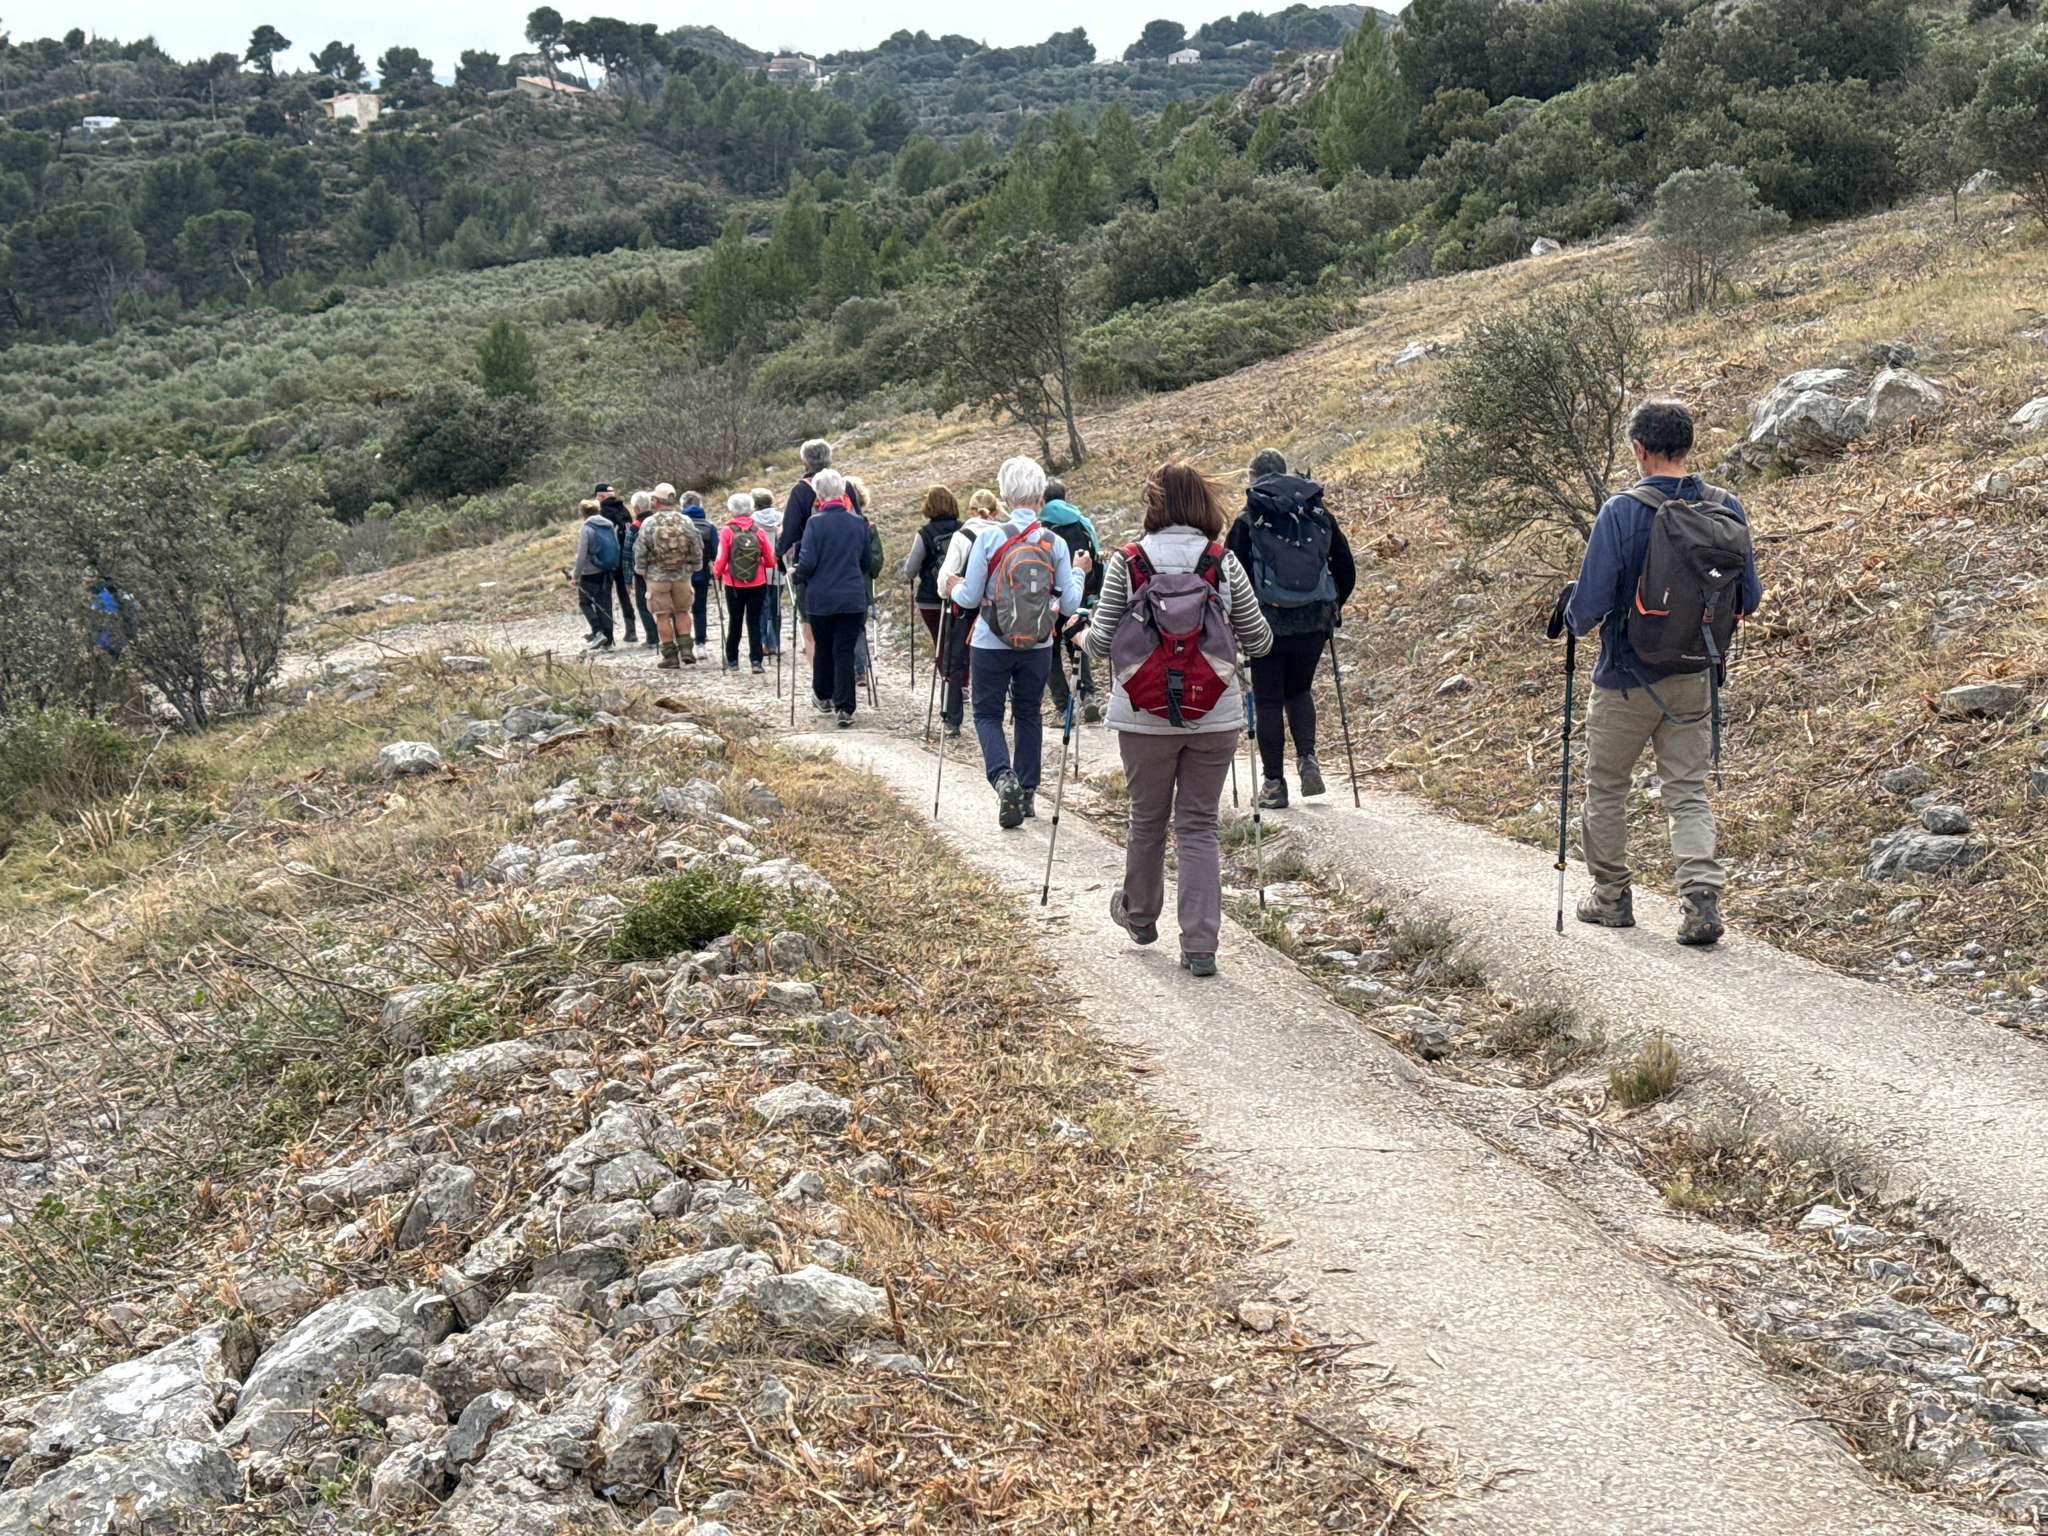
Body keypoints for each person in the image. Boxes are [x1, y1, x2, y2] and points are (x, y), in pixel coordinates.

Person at [1563, 398, 1764, 948]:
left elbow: (1588, 609)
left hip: (1625, 680)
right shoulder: (1726, 507)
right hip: (1695, 676)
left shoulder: (1622, 512)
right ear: (1687, 446)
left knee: (1607, 786)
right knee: (1687, 791)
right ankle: (1701, 899)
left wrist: (1569, 614)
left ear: (1639, 448)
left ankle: (1611, 898)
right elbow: (1749, 598)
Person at [1085, 463, 1272, 978]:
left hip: (1141, 716)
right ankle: (1201, 944)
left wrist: (1080, 634)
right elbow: (1259, 640)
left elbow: (1100, 643)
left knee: (1146, 818)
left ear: (1155, 503)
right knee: (1198, 825)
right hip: (1214, 714)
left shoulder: (1128, 561)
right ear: (1202, 504)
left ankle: (1141, 917)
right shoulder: (1222, 561)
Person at [945, 457, 1086, 829]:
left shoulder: (989, 538)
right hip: (1037, 643)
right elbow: (1069, 605)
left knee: (987, 715)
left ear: (1005, 498)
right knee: (1028, 713)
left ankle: (1002, 777)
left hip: (990, 640)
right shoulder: (1054, 542)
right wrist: (1078, 572)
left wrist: (953, 586)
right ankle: (1026, 792)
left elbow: (969, 598)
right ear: (1040, 497)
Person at [1225, 449, 1356, 809]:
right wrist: (1332, 607)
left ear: (1253, 478)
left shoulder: (1248, 517)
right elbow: (1345, 566)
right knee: (1299, 690)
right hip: (1314, 620)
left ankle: (1273, 784)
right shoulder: (1315, 510)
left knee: (1268, 698)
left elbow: (1231, 573)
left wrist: (1237, 619)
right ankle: (1308, 759)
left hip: (1264, 621)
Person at [794, 468, 880, 727]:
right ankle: (845, 708)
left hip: (821, 598)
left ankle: (824, 696)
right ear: (843, 492)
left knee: (823, 647)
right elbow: (866, 562)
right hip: (852, 597)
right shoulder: (858, 523)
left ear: (819, 495)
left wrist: (798, 574)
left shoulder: (815, 523)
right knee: (844, 650)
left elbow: (807, 563)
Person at [932, 488, 1005, 738]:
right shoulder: (1005, 534)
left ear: (971, 510)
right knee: (998, 660)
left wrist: (948, 590)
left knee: (955, 661)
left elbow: (945, 578)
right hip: (999, 609)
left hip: (966, 608)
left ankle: (952, 719)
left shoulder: (962, 536)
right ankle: (994, 715)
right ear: (996, 510)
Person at [1039, 476, 1104, 725]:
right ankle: (1089, 695)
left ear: (1042, 499)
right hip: (1080, 593)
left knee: (1050, 650)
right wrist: (1093, 594)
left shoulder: (1039, 527)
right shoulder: (1082, 522)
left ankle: (1065, 708)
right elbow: (1096, 559)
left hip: (1049, 599)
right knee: (1078, 643)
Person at [634, 485, 703, 669]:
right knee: (683, 612)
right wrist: (695, 566)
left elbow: (640, 549)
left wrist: (641, 570)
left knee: (662, 615)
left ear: (655, 501)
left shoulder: (649, 522)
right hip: (682, 576)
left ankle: (670, 656)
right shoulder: (685, 520)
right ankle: (686, 650)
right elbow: (696, 545)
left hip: (657, 577)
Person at [778, 439, 834, 662]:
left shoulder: (801, 490)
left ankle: (819, 676)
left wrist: (779, 556)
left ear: (804, 461)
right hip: (843, 564)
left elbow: (790, 529)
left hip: (809, 564)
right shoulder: (843, 486)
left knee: (810, 625)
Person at [713, 490, 775, 673]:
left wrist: (717, 573)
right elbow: (770, 561)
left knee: (735, 621)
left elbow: (721, 558)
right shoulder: (758, 531)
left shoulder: (727, 531)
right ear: (751, 509)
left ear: (732, 510)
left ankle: (733, 661)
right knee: (754, 622)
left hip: (733, 584)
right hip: (758, 583)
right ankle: (756, 661)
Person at [900, 486, 962, 647]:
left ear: (929, 506)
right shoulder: (964, 530)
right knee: (960, 646)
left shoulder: (924, 533)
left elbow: (910, 570)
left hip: (931, 598)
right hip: (960, 597)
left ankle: (943, 664)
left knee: (940, 645)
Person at [845, 475, 882, 687]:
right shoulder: (868, 526)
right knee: (858, 628)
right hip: (862, 587)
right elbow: (876, 561)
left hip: (836, 585)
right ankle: (860, 672)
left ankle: (844, 671)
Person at [571, 498, 622, 651]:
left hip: (590, 573)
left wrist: (575, 576)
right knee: (605, 604)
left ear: (583, 513)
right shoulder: (609, 524)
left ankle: (598, 632)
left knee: (585, 603)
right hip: (607, 570)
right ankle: (608, 642)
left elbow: (581, 555)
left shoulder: (586, 528)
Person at [597, 486, 638, 644]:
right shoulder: (624, 510)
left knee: (605, 597)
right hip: (626, 559)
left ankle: (608, 635)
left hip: (609, 560)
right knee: (624, 595)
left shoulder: (602, 513)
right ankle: (631, 630)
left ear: (601, 497)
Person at [680, 492, 717, 649]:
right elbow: (715, 553)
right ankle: (701, 643)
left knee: (680, 610)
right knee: (700, 608)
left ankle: (683, 643)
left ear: (682, 506)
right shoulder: (709, 527)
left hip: (681, 575)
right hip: (702, 573)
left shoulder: (678, 526)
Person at [624, 491, 660, 649]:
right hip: (664, 569)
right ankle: (672, 635)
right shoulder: (659, 521)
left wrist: (627, 580)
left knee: (643, 605)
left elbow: (627, 555)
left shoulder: (635, 527)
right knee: (666, 604)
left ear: (636, 509)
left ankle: (653, 638)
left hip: (642, 573)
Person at [752, 488, 784, 656]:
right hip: (779, 567)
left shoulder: (752, 521)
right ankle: (775, 642)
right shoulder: (782, 517)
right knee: (775, 606)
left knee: (762, 606)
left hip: (760, 569)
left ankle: (764, 642)